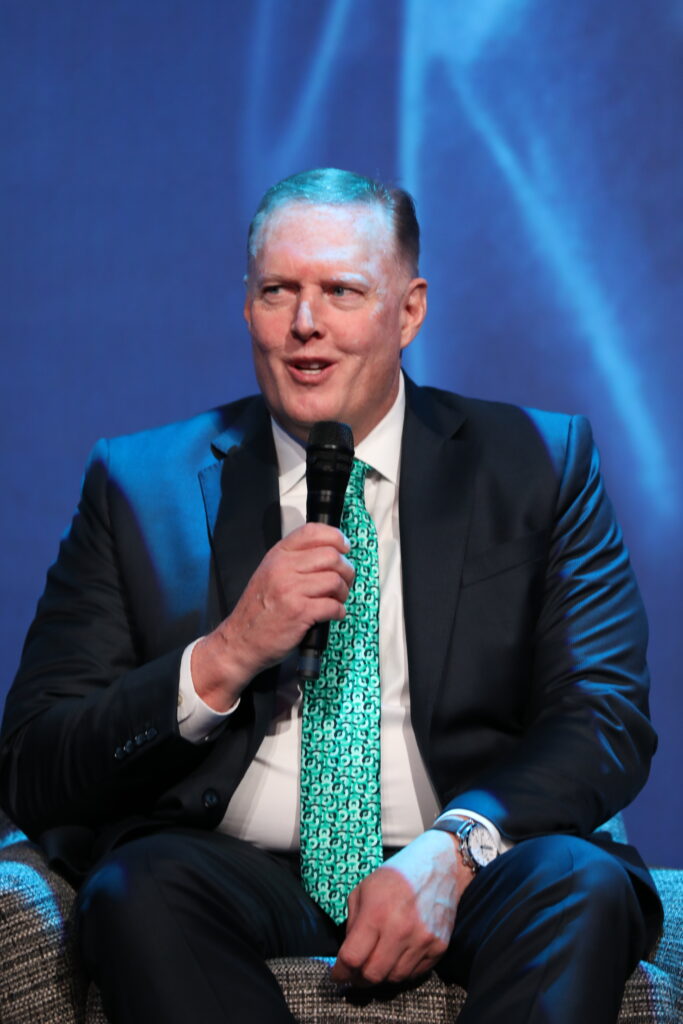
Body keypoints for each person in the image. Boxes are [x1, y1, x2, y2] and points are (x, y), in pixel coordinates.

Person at [0, 168, 662, 1023]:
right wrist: (226, 654)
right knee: (137, 888)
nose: (304, 324)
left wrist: (456, 847)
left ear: (409, 311)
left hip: (465, 858)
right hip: (231, 866)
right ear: (246, 307)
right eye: (277, 291)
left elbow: (603, 717)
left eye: (341, 291)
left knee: (580, 882)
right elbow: (35, 763)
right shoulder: (138, 485)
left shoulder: (538, 463)